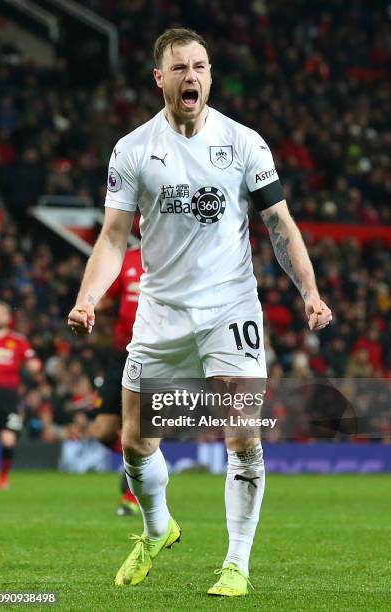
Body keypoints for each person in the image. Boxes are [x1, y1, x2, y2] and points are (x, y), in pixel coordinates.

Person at [68, 28, 332, 598]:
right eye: (181, 67)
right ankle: (157, 527)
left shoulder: (244, 143)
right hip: (161, 311)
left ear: (210, 75)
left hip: (229, 307)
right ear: (159, 78)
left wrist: (309, 291)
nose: (193, 76)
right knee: (136, 445)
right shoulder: (133, 149)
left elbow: (280, 225)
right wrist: (88, 298)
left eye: (202, 66)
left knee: (242, 433)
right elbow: (114, 238)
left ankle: (236, 563)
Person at [90, 245, 143, 515]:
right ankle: (147, 459)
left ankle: (131, 497)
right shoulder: (128, 258)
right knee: (103, 431)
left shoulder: (177, 254)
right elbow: (107, 300)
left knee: (135, 429)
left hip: (154, 355)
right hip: (121, 354)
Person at [0, 301, 40, 489]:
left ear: (9, 318)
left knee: (8, 439)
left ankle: (3, 478)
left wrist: (33, 366)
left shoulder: (18, 340)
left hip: (10, 396)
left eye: (2, 313)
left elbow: (33, 362)